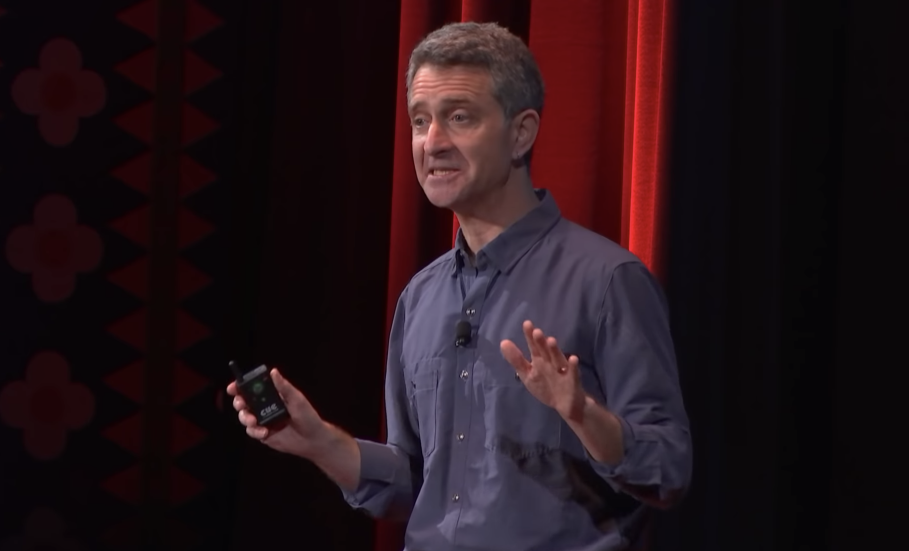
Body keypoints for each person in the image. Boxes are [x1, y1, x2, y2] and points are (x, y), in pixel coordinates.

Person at [228, 21, 691, 551]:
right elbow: (421, 484)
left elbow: (667, 470)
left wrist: (583, 415)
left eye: (460, 118)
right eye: (420, 121)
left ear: (522, 133)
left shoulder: (607, 281)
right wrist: (319, 443)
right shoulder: (421, 298)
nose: (433, 143)